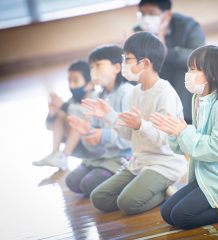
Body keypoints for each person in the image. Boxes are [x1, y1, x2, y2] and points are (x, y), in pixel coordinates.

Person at [150, 45, 218, 230]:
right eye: (188, 69)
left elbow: (217, 150)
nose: (188, 74)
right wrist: (174, 132)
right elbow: (188, 146)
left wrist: (183, 132)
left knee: (182, 216)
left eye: (193, 69)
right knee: (167, 212)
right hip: (206, 174)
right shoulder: (199, 100)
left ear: (213, 74)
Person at [85, 32, 187, 215]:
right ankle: (147, 188)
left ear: (146, 63)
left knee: (127, 203)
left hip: (164, 164)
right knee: (99, 197)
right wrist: (108, 114)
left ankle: (163, 192)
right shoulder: (135, 92)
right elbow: (127, 134)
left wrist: (141, 125)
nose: (124, 64)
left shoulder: (165, 93)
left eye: (128, 59)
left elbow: (165, 140)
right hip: (139, 162)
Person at [66, 45, 133, 197]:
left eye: (98, 65)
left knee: (88, 184)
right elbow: (95, 135)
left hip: (127, 156)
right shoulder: (100, 95)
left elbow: (131, 137)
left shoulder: (127, 93)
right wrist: (87, 132)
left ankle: (132, 180)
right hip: (107, 155)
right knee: (72, 181)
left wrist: (103, 136)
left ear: (117, 67)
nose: (93, 71)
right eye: (91, 67)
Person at [134, 0, 205, 124]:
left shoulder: (187, 25)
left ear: (167, 15)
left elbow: (199, 57)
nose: (146, 19)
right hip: (156, 101)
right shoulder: (139, 31)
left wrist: (167, 52)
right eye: (142, 13)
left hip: (185, 97)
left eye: (151, 13)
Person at [33, 60, 95, 171]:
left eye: (75, 81)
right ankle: (55, 154)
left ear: (89, 84)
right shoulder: (73, 100)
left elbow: (84, 115)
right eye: (69, 80)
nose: (71, 85)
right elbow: (48, 127)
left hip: (93, 148)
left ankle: (64, 155)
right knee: (61, 114)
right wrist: (52, 114)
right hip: (77, 146)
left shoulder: (96, 98)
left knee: (76, 119)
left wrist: (64, 106)